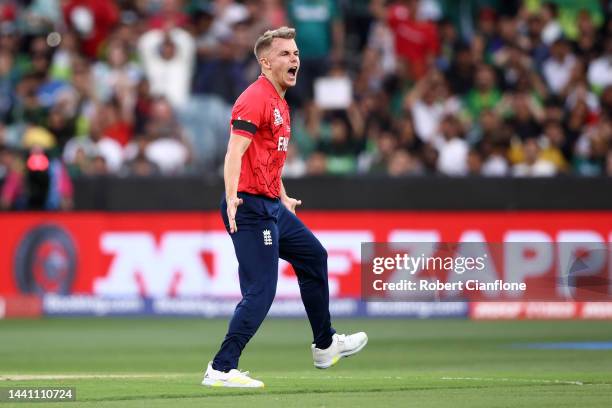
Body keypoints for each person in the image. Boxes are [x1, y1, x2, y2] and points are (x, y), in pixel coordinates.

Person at [202, 27, 367, 388]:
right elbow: (235, 153)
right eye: (285, 54)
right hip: (248, 207)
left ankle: (325, 345)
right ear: (265, 62)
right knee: (261, 291)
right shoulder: (255, 98)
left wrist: (282, 193)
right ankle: (221, 367)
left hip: (270, 205)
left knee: (314, 256)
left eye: (295, 53)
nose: (294, 59)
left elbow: (266, 159)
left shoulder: (279, 101)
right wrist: (231, 197)